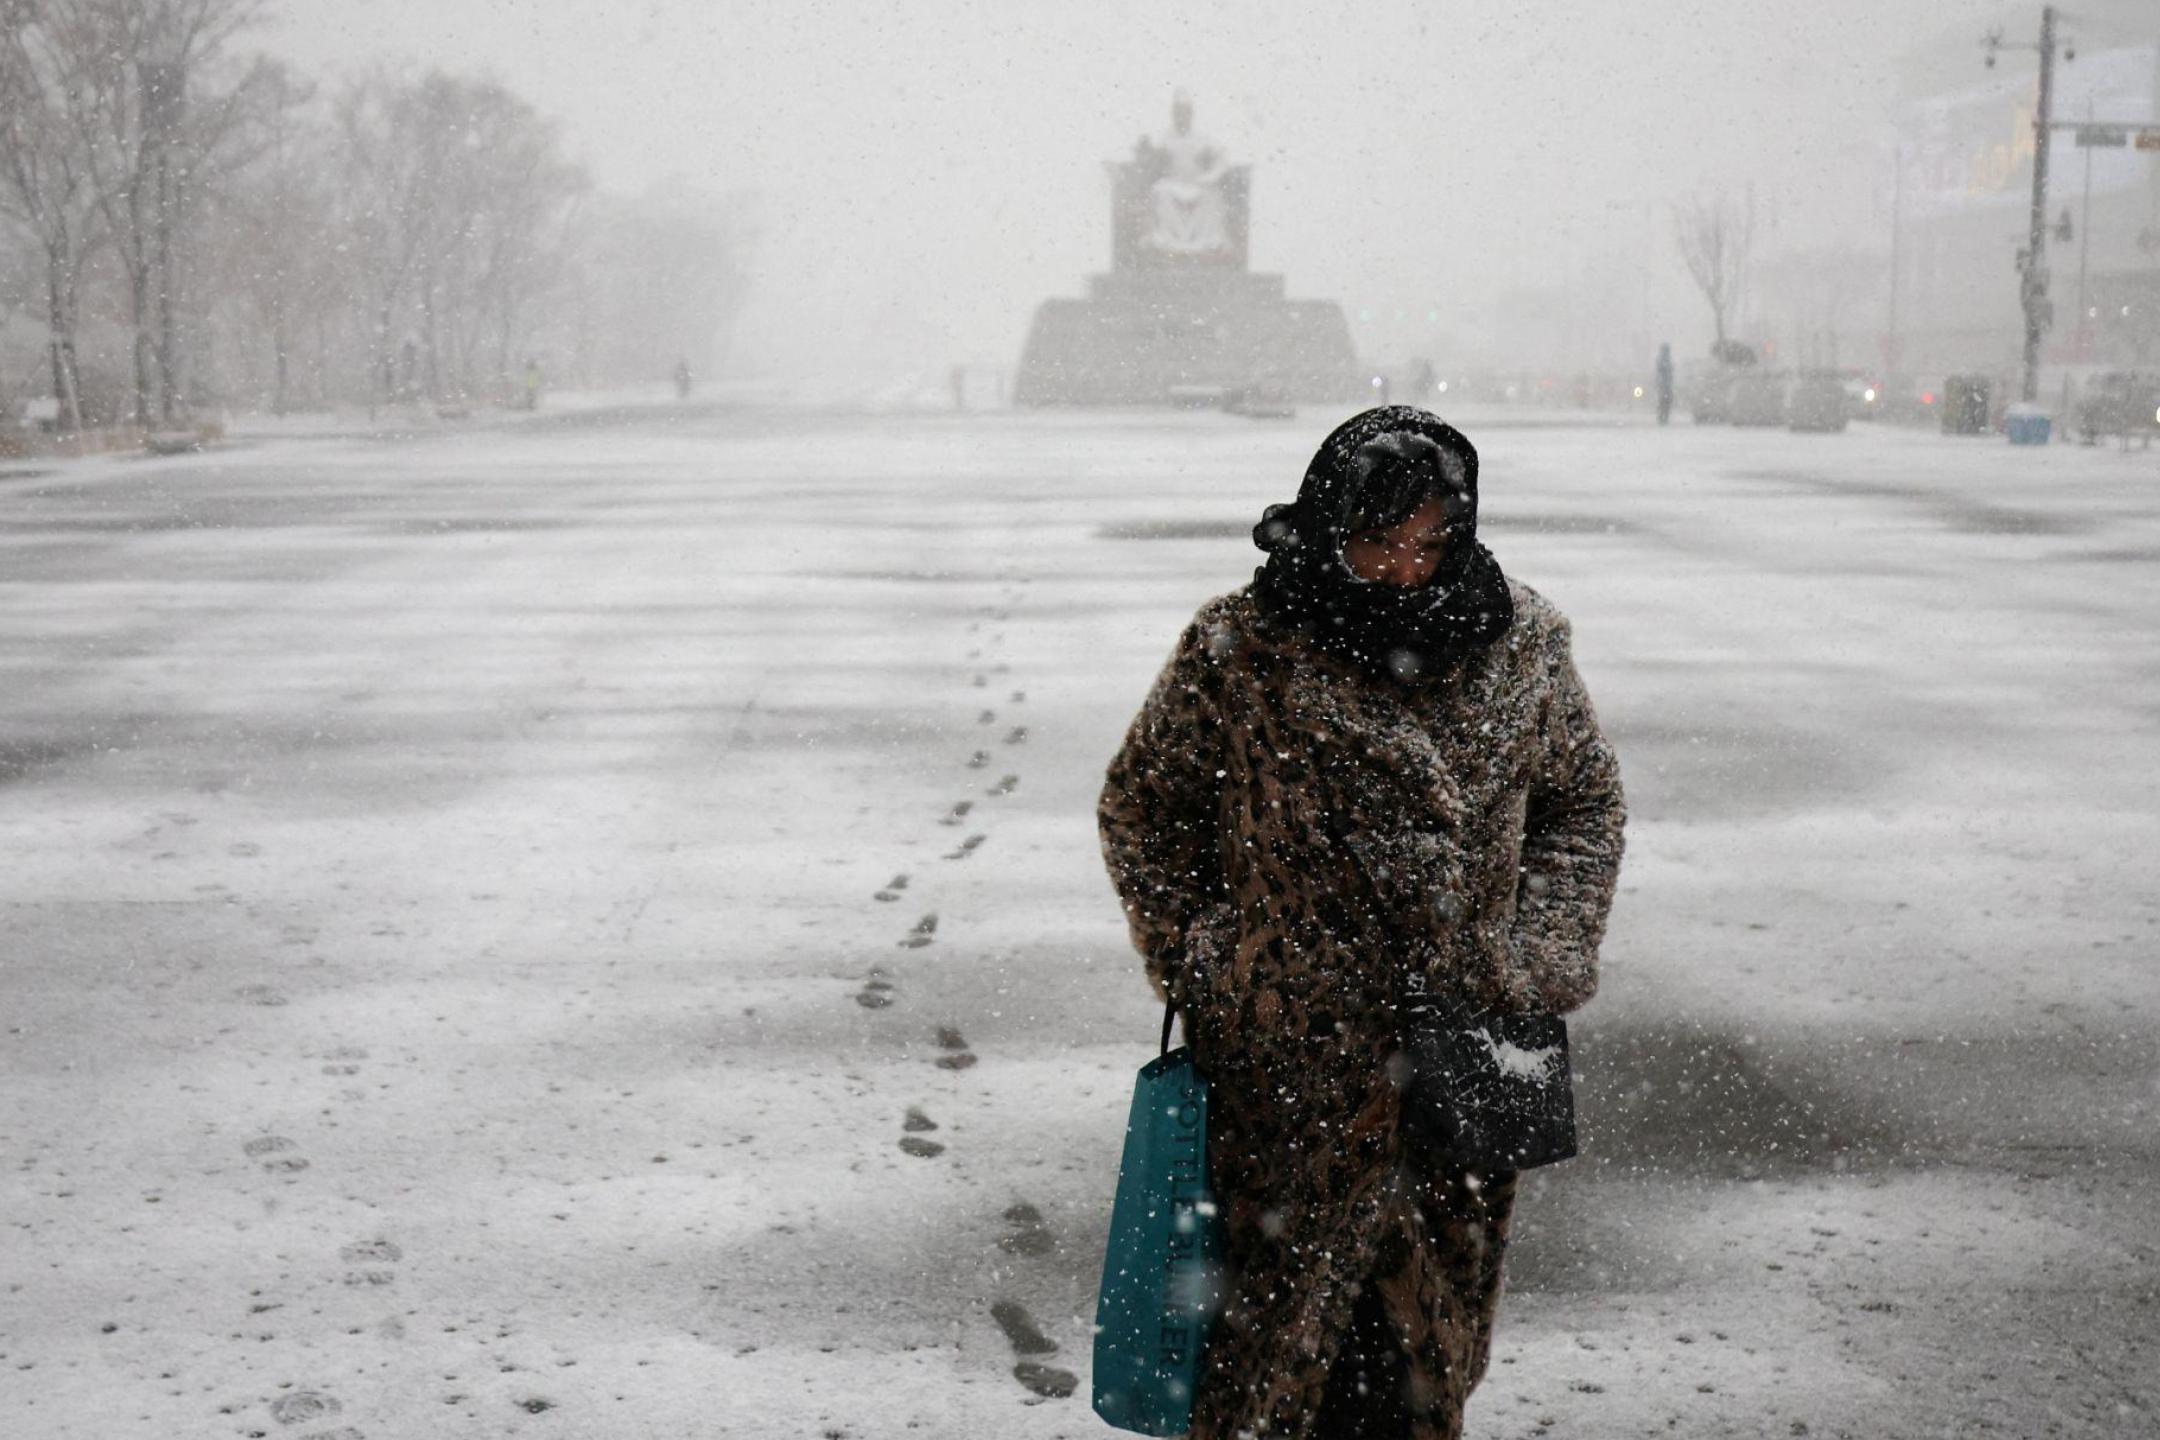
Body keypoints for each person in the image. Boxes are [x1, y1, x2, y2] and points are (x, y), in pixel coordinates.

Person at [1098, 406, 1626, 1440]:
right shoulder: (1241, 647)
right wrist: (1210, 960)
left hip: (1468, 1061)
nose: (1402, 571)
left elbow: (1582, 806)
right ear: (1328, 525)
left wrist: (1539, 954)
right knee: (1264, 1372)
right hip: (1288, 1078)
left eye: (1429, 544)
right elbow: (1143, 809)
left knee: (1422, 1373)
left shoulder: (1521, 645)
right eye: (1379, 543)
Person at [1655, 342, 1675, 426]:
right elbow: (1668, 372)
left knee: (1663, 402)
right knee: (1665, 402)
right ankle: (1664, 417)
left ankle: (1662, 417)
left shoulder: (1661, 360)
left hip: (1663, 385)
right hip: (1666, 385)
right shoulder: (1666, 360)